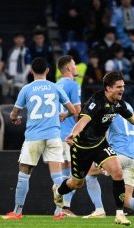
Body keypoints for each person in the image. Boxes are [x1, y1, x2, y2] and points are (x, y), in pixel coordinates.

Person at [52, 71, 134, 226]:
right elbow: (84, 119)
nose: (122, 89)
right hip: (82, 147)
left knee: (117, 172)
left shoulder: (118, 104)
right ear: (108, 88)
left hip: (100, 144)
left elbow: (132, 117)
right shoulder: (96, 100)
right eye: (118, 87)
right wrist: (74, 134)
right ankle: (58, 191)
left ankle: (119, 214)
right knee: (77, 183)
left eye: (123, 86)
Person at [1, 57, 76, 220]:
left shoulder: (26, 89)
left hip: (33, 137)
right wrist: (64, 114)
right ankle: (58, 212)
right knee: (57, 176)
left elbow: (14, 112)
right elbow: (72, 110)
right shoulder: (55, 87)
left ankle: (17, 211)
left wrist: (15, 118)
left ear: (31, 71)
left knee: (24, 173)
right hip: (54, 136)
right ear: (48, 71)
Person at [83, 101, 134, 219]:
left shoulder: (107, 106)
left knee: (89, 172)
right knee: (127, 200)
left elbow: (103, 132)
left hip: (118, 154)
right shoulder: (128, 106)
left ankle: (99, 210)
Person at [55, 55, 81, 217]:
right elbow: (77, 111)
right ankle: (64, 208)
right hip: (70, 134)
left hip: (56, 133)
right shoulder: (73, 85)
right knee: (75, 174)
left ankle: (61, 208)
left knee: (64, 171)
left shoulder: (56, 85)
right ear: (69, 68)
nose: (76, 67)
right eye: (74, 64)